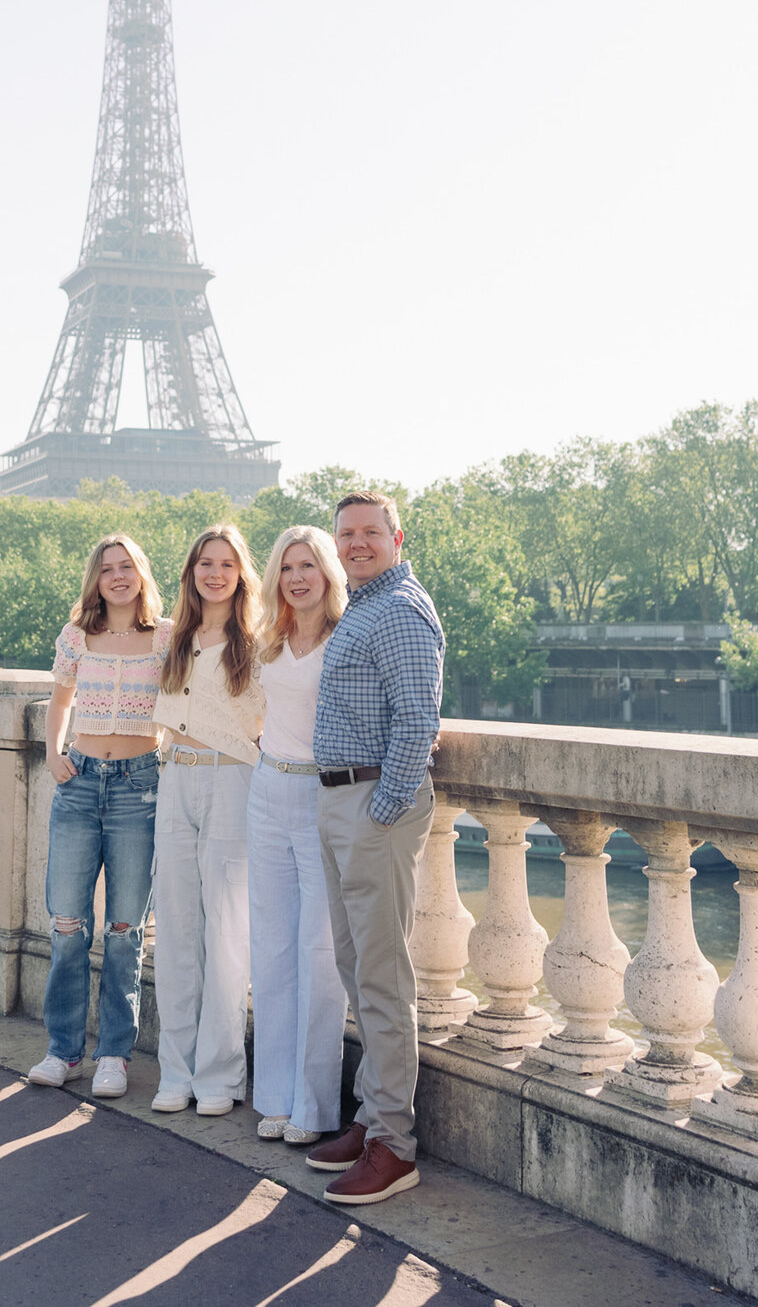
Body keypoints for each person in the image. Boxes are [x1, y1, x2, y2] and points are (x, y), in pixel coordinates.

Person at [306, 490, 444, 1205]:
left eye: (369, 532)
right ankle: (371, 1116)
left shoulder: (400, 609)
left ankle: (395, 1143)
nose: (356, 543)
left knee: (384, 978)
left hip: (370, 806)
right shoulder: (364, 603)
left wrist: (382, 810)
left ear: (397, 535)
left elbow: (419, 720)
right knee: (356, 965)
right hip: (343, 800)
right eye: (346, 534)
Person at [27, 534, 170, 1100]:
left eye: (127, 566)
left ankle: (114, 1054)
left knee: (124, 931)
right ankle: (63, 1051)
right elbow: (60, 701)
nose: (117, 576)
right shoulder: (76, 637)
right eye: (107, 568)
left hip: (141, 786)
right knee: (67, 926)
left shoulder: (165, 637)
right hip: (81, 784)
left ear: (141, 573)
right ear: (96, 578)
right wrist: (53, 752)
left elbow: (189, 700)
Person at [150, 524, 265, 1116]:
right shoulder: (172, 639)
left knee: (225, 932)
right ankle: (176, 1070)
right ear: (191, 572)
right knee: (173, 930)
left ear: (242, 573)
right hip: (175, 776)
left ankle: (219, 1076)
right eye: (204, 563)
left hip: (232, 780)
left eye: (226, 563)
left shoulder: (261, 640)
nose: (214, 572)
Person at [247, 525, 350, 1146]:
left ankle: (313, 1109)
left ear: (328, 573)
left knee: (318, 954)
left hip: (320, 796)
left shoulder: (345, 638)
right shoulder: (268, 640)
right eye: (288, 567)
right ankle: (276, 1097)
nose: (297, 576)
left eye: (309, 565)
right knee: (273, 951)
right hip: (266, 791)